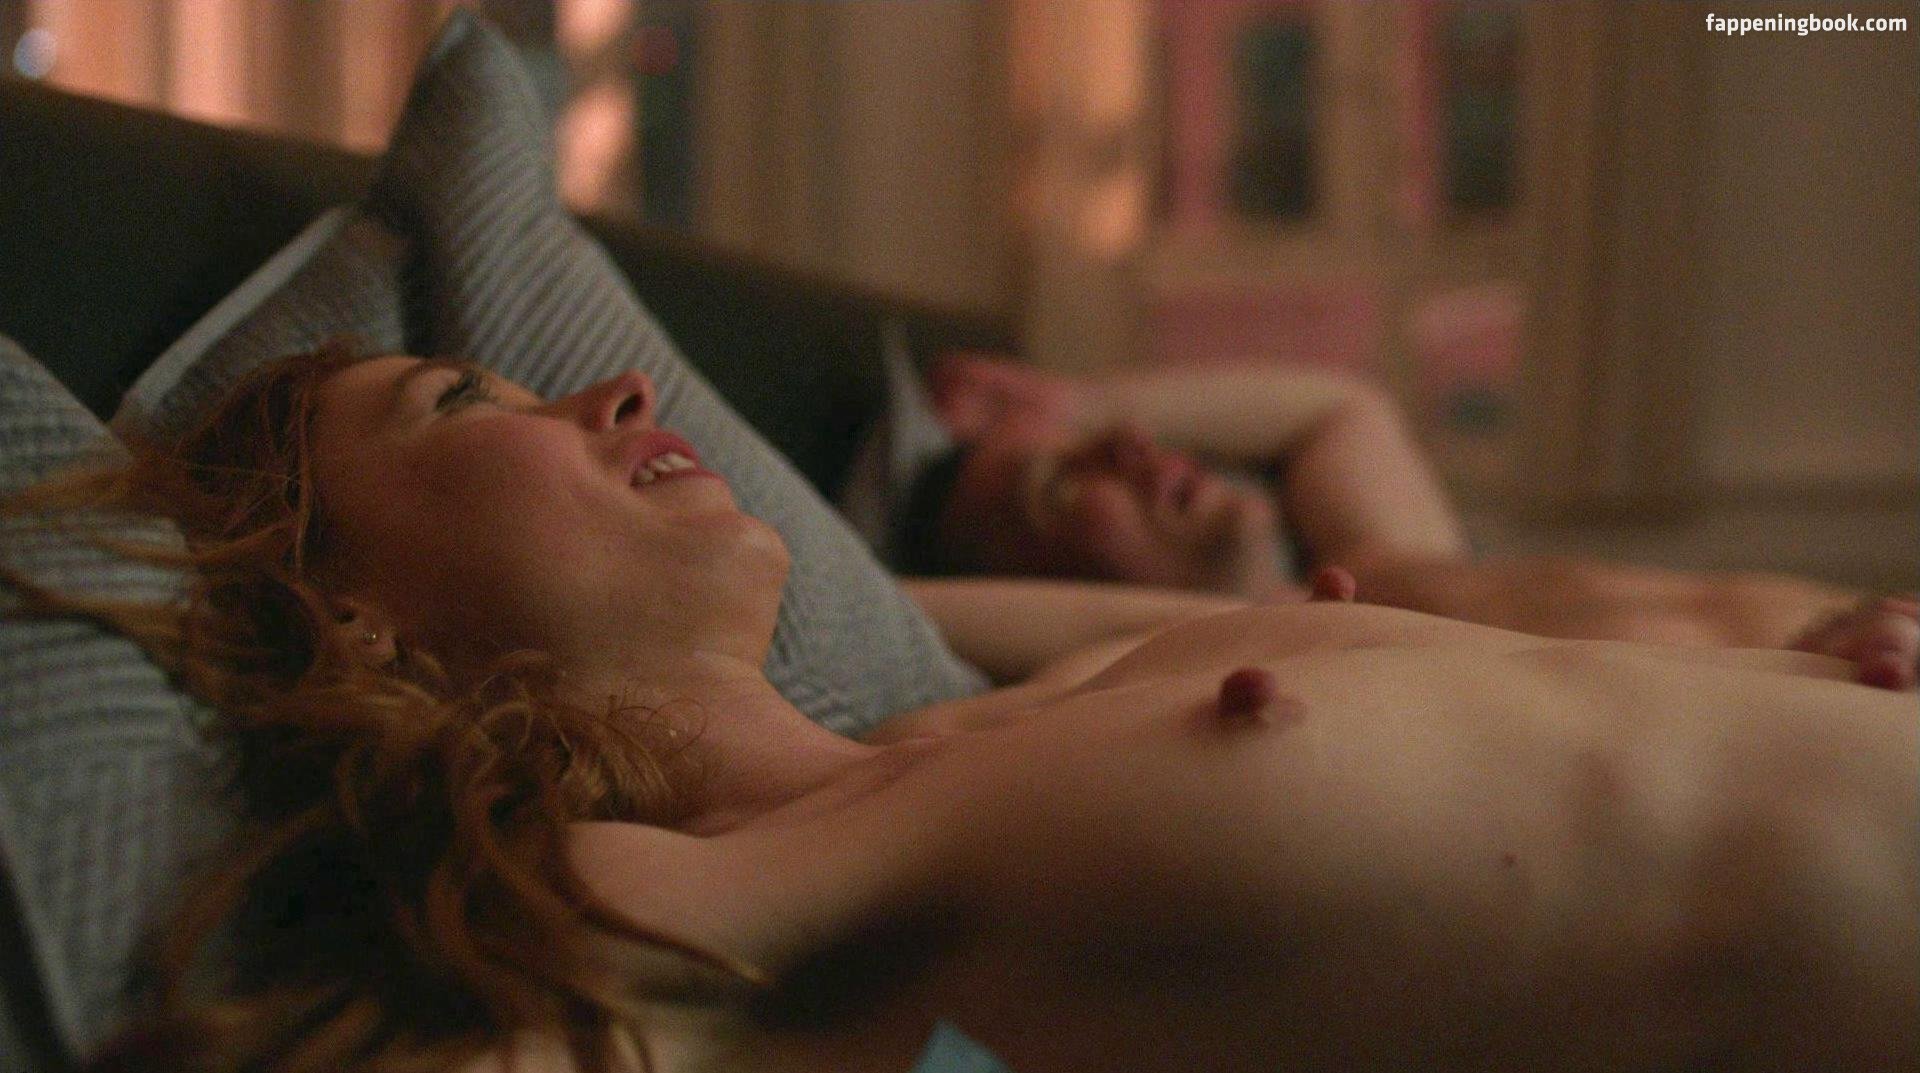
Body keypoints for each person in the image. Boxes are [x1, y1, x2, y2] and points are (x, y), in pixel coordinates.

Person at [19, 346, 1915, 1073]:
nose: (612, 388)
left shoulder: (1054, 706)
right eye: (460, 406)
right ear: (358, 615)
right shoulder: (720, 885)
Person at [886, 353, 1869, 652]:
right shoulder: (1230, 651)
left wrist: (1077, 403)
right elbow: (912, 611)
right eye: (1063, 485)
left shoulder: (1379, 562)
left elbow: (1340, 409)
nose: (1133, 445)